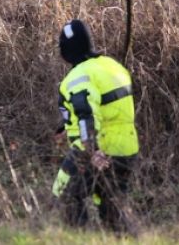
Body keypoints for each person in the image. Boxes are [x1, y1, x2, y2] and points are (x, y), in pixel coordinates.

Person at [52, 19, 139, 233]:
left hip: (94, 150)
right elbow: (109, 107)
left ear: (67, 49)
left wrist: (92, 150)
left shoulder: (78, 77)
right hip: (126, 149)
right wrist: (65, 128)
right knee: (112, 212)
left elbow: (86, 114)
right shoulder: (111, 66)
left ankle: (77, 238)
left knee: (64, 196)